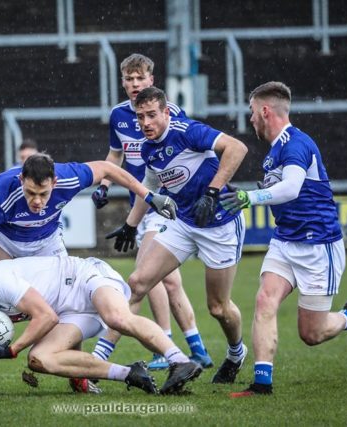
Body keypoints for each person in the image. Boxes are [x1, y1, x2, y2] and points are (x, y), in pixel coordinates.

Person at [0, 152, 176, 396]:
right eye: (30, 193)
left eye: (43, 194)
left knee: (66, 305)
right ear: (21, 181)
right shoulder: (4, 192)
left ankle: (78, 377)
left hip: (47, 241)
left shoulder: (68, 177)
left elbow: (107, 168)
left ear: (54, 183)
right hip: (4, 241)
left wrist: (148, 195)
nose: (37, 201)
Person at [220, 81, 347, 397]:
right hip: (285, 242)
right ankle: (262, 384)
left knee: (312, 333)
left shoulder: (296, 143)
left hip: (318, 245)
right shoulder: (274, 152)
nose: (250, 119)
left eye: (252, 113)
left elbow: (291, 188)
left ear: (265, 111)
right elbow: (286, 193)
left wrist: (252, 196)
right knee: (265, 299)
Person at [106, 86, 250, 385]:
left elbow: (237, 148)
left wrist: (212, 191)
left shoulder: (187, 130)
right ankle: (101, 358)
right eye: (140, 116)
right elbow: (150, 181)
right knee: (136, 283)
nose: (145, 122)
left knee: (218, 308)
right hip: (183, 223)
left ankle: (236, 353)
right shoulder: (147, 148)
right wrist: (132, 224)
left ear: (166, 113)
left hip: (219, 224)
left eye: (152, 115)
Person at [0, 256, 202, 395]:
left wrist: (12, 349)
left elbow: (46, 318)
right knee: (39, 359)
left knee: (117, 318)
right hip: (69, 311)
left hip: (84, 277)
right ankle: (131, 374)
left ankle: (179, 360)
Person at [91, 53, 212, 370]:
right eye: (128, 79)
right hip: (139, 205)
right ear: (122, 82)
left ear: (151, 81)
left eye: (139, 78)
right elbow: (115, 154)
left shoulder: (168, 113)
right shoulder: (118, 115)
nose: (134, 84)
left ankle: (110, 355)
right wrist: (104, 184)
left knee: (142, 281)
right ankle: (195, 348)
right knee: (169, 282)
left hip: (165, 204)